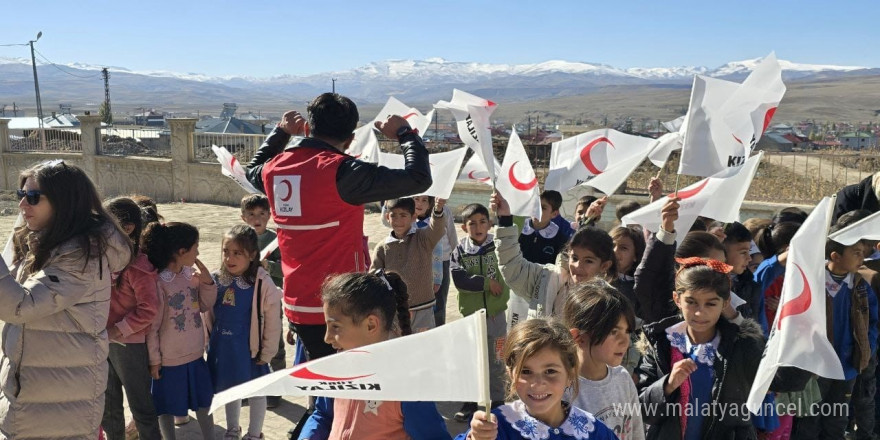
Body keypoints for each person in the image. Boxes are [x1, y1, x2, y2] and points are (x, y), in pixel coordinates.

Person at [245, 93, 432, 364]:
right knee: (345, 388)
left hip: (297, 305)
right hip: (344, 306)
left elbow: (252, 170)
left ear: (308, 128)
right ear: (351, 139)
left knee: (322, 384)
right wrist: (405, 133)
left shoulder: (274, 169)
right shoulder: (344, 172)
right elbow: (418, 178)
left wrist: (281, 133)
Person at [0, 161, 132, 438]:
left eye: (33, 198)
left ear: (65, 201)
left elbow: (20, 305)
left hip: (59, 403)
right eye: (20, 195)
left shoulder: (82, 255)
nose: (23, 205)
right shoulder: (42, 240)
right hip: (38, 392)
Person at [298, 271, 451, 440]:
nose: (327, 338)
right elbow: (323, 414)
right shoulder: (338, 369)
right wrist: (308, 436)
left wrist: (472, 436)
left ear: (371, 325)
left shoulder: (405, 385)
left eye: (335, 327)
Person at [636, 258, 765, 439]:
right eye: (691, 302)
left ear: (725, 303)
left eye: (711, 304)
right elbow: (641, 410)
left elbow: (782, 381)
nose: (699, 312)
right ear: (677, 299)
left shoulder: (740, 345)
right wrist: (667, 384)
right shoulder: (662, 343)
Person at [458, 318, 617, 440]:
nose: (537, 383)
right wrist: (474, 437)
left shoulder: (593, 431)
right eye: (526, 371)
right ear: (510, 373)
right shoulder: (496, 427)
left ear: (570, 374)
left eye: (550, 371)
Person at [791, 221, 879, 440]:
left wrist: (867, 348)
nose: (862, 258)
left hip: (846, 366)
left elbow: (873, 323)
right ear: (835, 256)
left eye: (863, 252)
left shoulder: (859, 285)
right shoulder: (812, 281)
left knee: (837, 419)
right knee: (809, 419)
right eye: (856, 253)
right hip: (815, 367)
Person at [206, 225, 282, 439]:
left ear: (252, 255)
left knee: (256, 390)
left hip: (250, 350)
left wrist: (267, 352)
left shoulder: (262, 283)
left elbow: (272, 323)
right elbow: (207, 312)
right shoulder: (217, 279)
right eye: (226, 252)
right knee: (231, 390)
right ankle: (232, 429)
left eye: (237, 253)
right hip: (223, 348)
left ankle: (255, 433)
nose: (230, 258)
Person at [142, 222, 216, 439]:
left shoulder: (190, 275)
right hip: (168, 361)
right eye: (196, 247)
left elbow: (204, 305)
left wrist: (207, 281)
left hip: (195, 354)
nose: (198, 252)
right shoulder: (158, 283)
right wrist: (154, 360)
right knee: (164, 405)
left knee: (204, 401)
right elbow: (152, 327)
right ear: (181, 251)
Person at [492, 192, 618, 319]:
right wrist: (505, 219)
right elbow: (513, 267)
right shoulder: (545, 278)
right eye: (574, 258)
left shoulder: (609, 304)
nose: (578, 266)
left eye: (589, 261)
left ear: (604, 265)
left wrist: (587, 221)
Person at [102, 197, 161, 440]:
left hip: (128, 345)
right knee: (108, 406)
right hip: (102, 340)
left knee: (141, 408)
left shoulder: (138, 266)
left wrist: (117, 331)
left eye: (106, 225)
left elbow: (149, 309)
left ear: (128, 229)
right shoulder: (102, 260)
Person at [562, 280, 645, 440]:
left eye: (627, 331)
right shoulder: (560, 388)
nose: (625, 341)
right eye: (614, 332)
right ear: (578, 337)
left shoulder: (623, 378)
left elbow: (636, 432)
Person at [450, 203, 509, 422]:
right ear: (464, 227)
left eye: (482, 221)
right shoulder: (460, 250)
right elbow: (459, 279)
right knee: (472, 360)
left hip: (497, 316)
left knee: (497, 358)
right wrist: (486, 283)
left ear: (490, 224)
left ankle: (498, 402)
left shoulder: (500, 246)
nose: (478, 227)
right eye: (472, 223)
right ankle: (470, 403)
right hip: (472, 318)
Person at [371, 197, 447, 332]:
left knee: (422, 349)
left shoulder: (423, 238)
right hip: (394, 312)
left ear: (413, 217)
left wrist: (438, 210)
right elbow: (374, 278)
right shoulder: (382, 248)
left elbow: (437, 229)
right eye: (393, 215)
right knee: (398, 349)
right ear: (388, 217)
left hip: (423, 309)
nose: (398, 221)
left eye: (403, 215)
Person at [239, 193, 286, 408]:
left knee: (273, 344)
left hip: (270, 301)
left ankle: (276, 390)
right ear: (243, 217)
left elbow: (286, 269)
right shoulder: (238, 239)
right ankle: (251, 388)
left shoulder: (277, 240)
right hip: (246, 303)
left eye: (261, 213)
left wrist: (270, 267)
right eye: (251, 214)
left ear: (269, 215)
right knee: (249, 345)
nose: (256, 218)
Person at [518, 190, 570, 265]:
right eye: (535, 205)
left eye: (543, 208)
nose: (537, 210)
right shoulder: (518, 229)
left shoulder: (560, 239)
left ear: (554, 214)